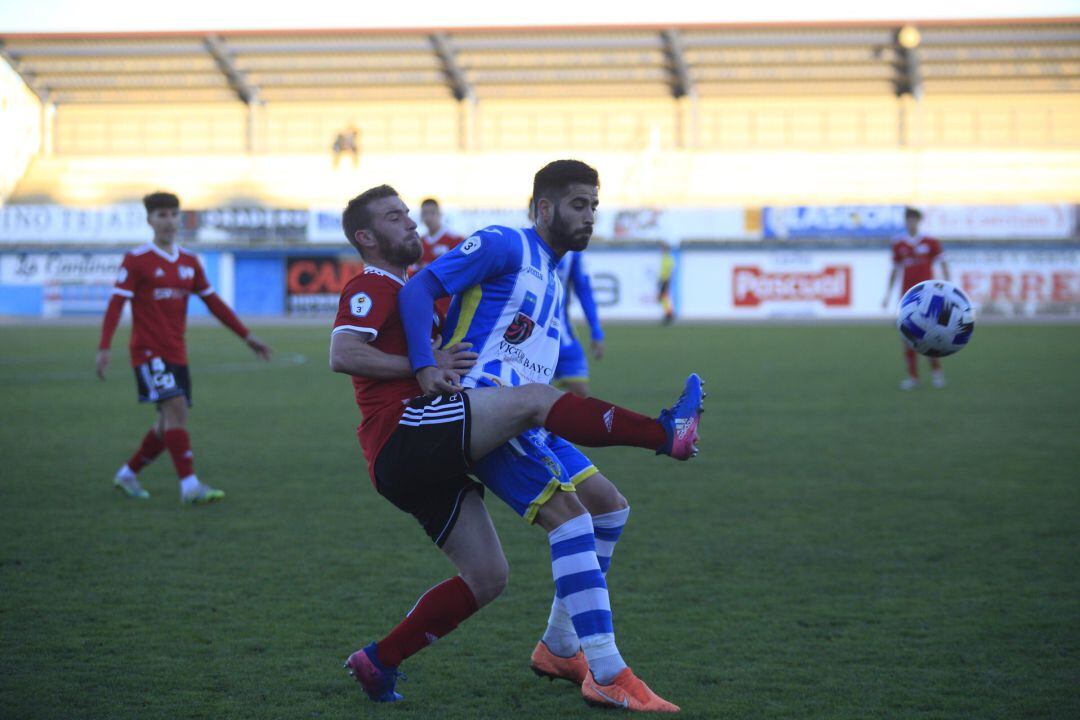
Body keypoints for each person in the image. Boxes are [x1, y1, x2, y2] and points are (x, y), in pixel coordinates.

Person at [331, 180, 701, 712]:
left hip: (423, 445)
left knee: (489, 576)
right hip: (404, 432)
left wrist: (431, 358)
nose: (411, 222)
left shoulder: (424, 287)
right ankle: (664, 433)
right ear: (365, 236)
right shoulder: (372, 284)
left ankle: (378, 660)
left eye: (408, 213)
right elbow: (342, 353)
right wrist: (422, 366)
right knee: (533, 404)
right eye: (395, 217)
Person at [96, 191, 272, 504]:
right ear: (149, 220)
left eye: (173, 214)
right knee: (176, 410)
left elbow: (214, 303)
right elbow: (116, 304)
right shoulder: (137, 260)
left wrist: (247, 336)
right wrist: (104, 347)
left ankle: (127, 474)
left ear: (180, 218)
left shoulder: (190, 262)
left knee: (167, 425)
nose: (168, 221)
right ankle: (189, 486)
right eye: (160, 215)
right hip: (148, 352)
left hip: (177, 352)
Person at [882, 207, 951, 390]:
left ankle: (937, 373)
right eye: (908, 219)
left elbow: (943, 263)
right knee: (908, 337)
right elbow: (895, 270)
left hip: (929, 296)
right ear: (905, 222)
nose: (910, 222)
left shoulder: (930, 242)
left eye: (913, 219)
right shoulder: (899, 244)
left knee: (930, 336)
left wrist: (948, 288)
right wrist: (887, 295)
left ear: (918, 221)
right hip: (908, 297)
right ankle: (913, 377)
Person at [554, 250, 604, 397]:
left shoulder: (572, 254)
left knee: (580, 392)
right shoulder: (525, 243)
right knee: (532, 398)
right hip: (531, 337)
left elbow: (584, 290)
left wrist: (596, 332)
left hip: (563, 335)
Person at [414, 197, 463, 316]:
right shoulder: (418, 243)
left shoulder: (455, 239)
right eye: (425, 213)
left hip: (451, 303)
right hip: (428, 304)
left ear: (440, 214)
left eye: (432, 213)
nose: (429, 218)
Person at [658, 245, 675, 325]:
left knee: (664, 297)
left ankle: (669, 314)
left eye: (662, 249)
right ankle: (668, 313)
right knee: (663, 297)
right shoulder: (665, 258)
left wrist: (664, 280)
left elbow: (669, 271)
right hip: (664, 280)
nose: (661, 251)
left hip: (665, 280)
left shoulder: (668, 259)